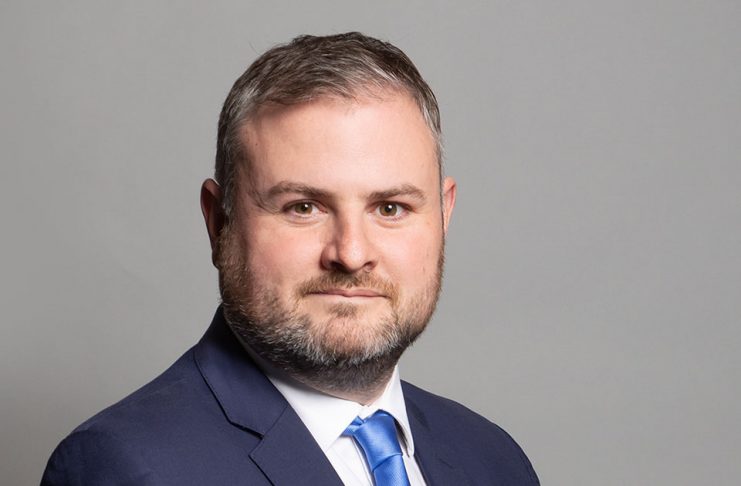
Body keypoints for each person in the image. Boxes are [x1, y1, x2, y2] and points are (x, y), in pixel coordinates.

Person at [42, 32, 539, 485]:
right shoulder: (125, 467)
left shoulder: (493, 460)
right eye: (303, 207)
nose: (351, 254)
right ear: (219, 222)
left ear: (444, 216)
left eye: (390, 208)